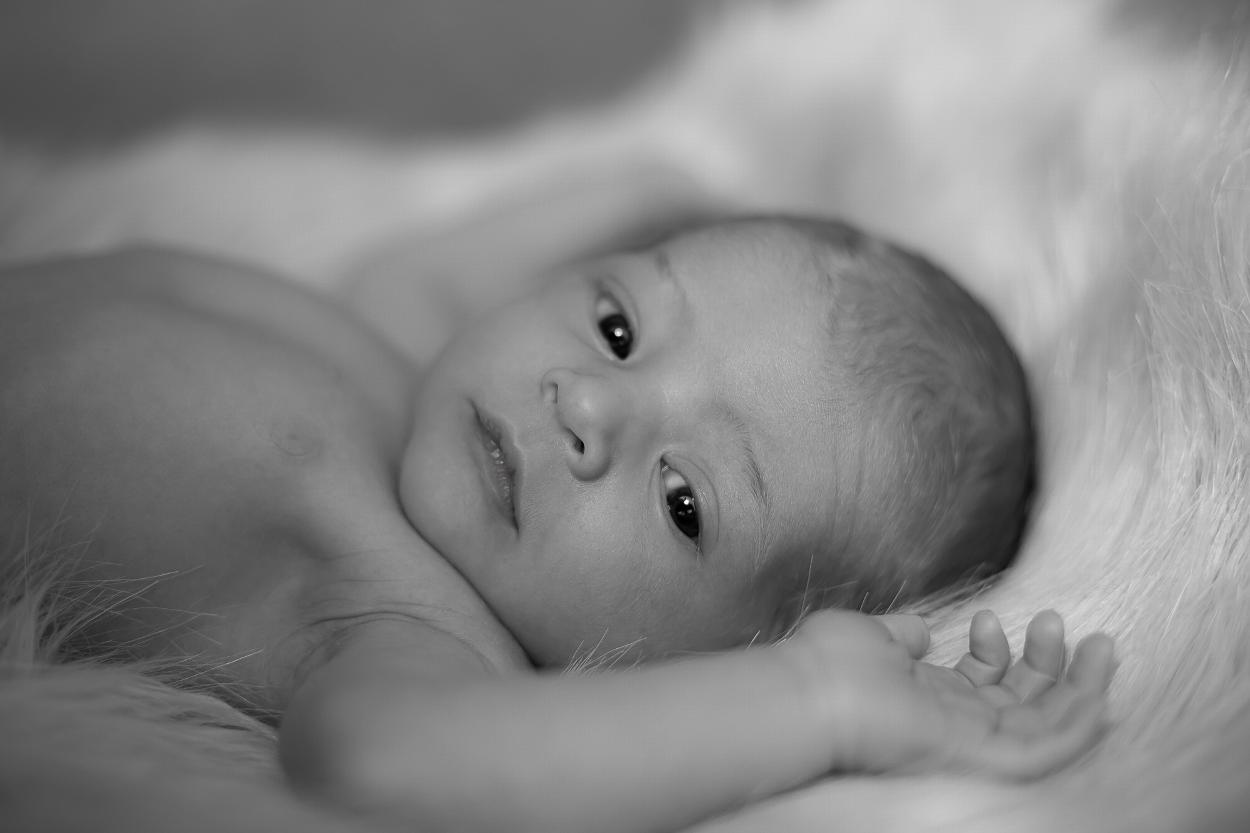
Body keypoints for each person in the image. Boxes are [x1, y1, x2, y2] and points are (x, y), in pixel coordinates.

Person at [0, 216, 1112, 833]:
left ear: (698, 660)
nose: (583, 402)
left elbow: (376, 760)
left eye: (685, 503)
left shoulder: (413, 619)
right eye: (620, 324)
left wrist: (815, 702)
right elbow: (414, 275)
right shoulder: (409, 377)